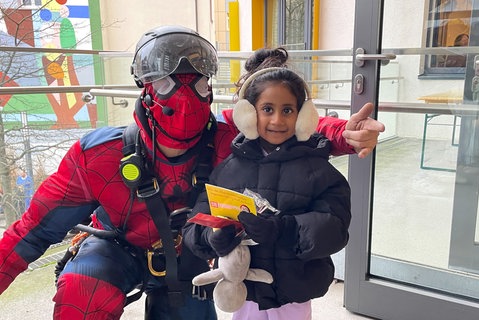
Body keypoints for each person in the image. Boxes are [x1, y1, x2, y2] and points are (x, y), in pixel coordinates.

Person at [0, 25, 383, 320]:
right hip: (117, 249)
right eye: (167, 84)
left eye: (198, 84)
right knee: (85, 291)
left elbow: (294, 130)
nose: (184, 100)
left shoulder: (230, 137)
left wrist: (345, 133)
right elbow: (31, 232)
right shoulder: (100, 155)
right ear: (147, 90)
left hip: (193, 258)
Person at [183, 58, 351, 319]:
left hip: (294, 289)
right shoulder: (229, 168)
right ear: (249, 114)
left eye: (287, 110)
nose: (277, 120)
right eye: (267, 109)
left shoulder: (319, 171)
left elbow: (334, 228)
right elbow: (197, 221)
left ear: (303, 115)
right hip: (247, 290)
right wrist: (210, 237)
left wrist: (285, 228)